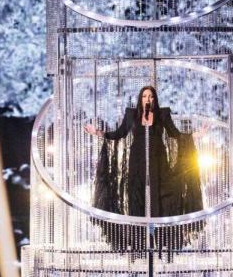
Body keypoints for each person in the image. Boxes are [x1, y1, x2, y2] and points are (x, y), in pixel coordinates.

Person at [84, 86, 206, 219]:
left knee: (160, 194)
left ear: (154, 99)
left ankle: (159, 233)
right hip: (137, 160)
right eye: (144, 96)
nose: (147, 99)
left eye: (150, 96)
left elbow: (175, 134)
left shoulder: (162, 114)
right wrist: (97, 132)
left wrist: (196, 135)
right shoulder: (132, 114)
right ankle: (140, 234)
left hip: (158, 160)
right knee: (137, 195)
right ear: (140, 99)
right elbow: (119, 133)